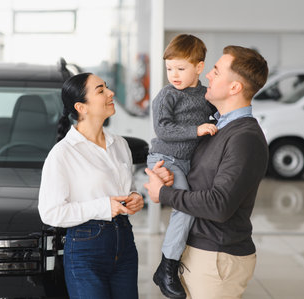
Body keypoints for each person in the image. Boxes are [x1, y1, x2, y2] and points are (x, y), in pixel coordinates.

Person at [144, 45, 269, 299]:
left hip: (217, 258)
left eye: (216, 70)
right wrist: (170, 178)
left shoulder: (245, 138)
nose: (208, 75)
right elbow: (201, 180)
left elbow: (219, 205)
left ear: (235, 88)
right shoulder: (216, 129)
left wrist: (165, 194)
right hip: (199, 253)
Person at [38, 72, 145, 299]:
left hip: (124, 241)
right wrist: (104, 207)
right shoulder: (63, 154)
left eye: (106, 87)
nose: (110, 93)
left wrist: (134, 196)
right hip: (86, 249)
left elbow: (127, 187)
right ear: (81, 107)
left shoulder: (120, 144)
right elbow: (50, 212)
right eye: (101, 90)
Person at [147, 34, 217, 299]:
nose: (173, 75)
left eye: (181, 68)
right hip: (167, 159)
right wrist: (197, 129)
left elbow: (218, 114)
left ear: (199, 67)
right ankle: (168, 267)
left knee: (198, 206)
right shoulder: (167, 95)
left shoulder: (204, 94)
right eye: (169, 69)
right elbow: (162, 129)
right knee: (185, 209)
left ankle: (178, 262)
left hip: (190, 162)